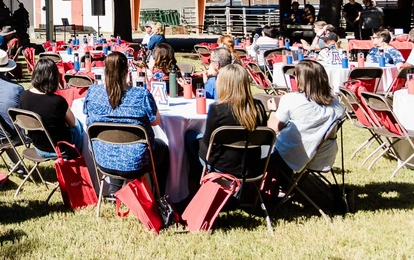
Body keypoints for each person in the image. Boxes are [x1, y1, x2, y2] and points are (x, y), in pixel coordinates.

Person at [83, 51, 169, 193]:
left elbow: (86, 113)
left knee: (114, 142)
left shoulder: (93, 93)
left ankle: (114, 190)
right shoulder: (141, 95)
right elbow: (155, 121)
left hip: (103, 157)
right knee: (163, 147)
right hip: (136, 161)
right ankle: (159, 194)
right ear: (127, 71)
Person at [188, 64, 269, 179]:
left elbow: (207, 142)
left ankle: (197, 182)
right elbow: (262, 137)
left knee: (189, 137)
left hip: (222, 166)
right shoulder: (258, 107)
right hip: (251, 165)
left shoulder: (217, 109)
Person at [269, 59, 345, 177]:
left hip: (290, 156)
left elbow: (272, 129)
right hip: (323, 157)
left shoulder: (291, 100)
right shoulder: (337, 106)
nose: (294, 78)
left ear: (302, 79)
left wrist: (273, 110)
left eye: (296, 75)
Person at [19, 57, 85, 158]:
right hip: (61, 148)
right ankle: (81, 159)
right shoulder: (57, 101)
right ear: (54, 77)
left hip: (38, 146)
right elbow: (73, 124)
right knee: (79, 126)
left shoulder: (23, 96)